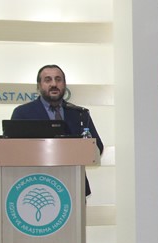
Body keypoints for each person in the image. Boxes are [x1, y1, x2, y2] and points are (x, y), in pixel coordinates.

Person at [11, 64, 104, 193]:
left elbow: (97, 147)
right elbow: (13, 151)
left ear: (64, 85)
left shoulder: (79, 113)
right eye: (48, 80)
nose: (54, 84)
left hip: (74, 185)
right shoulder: (22, 113)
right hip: (33, 184)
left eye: (58, 79)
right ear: (39, 86)